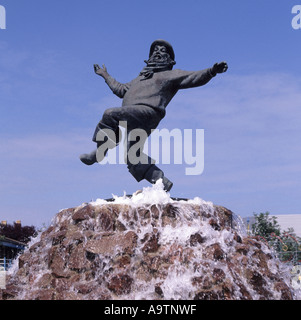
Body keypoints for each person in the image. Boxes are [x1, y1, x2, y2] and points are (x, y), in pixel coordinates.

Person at [80, 39, 228, 191]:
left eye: (162, 51)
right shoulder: (140, 78)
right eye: (155, 50)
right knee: (133, 158)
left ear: (170, 60)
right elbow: (121, 90)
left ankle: (100, 151)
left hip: (147, 112)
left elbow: (194, 77)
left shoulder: (171, 75)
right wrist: (105, 75)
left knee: (110, 114)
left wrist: (212, 71)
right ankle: (162, 182)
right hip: (132, 117)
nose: (158, 52)